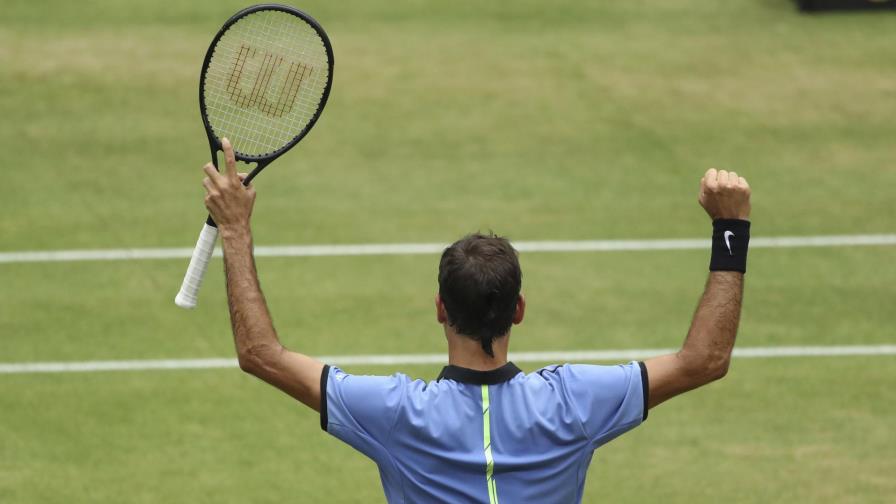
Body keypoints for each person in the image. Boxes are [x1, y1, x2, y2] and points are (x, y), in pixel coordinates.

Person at [201, 138, 752, 503]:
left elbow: (260, 354)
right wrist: (731, 230)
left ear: (440, 309)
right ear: (518, 309)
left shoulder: (394, 414)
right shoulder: (576, 403)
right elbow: (704, 361)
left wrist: (236, 231)